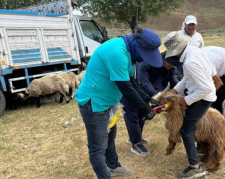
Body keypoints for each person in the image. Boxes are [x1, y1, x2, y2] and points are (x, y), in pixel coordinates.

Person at [75, 27, 162, 179]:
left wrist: (148, 100)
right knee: (98, 146)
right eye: (144, 55)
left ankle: (113, 167)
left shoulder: (128, 53)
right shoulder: (117, 52)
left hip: (108, 102)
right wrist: (144, 108)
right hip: (94, 103)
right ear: (137, 44)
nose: (143, 60)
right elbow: (125, 87)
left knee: (110, 137)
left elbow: (131, 82)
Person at [163, 31, 216, 178]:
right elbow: (187, 78)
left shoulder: (190, 61)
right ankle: (198, 151)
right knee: (189, 127)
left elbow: (205, 88)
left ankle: (195, 166)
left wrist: (185, 100)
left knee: (186, 130)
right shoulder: (193, 51)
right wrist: (175, 90)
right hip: (200, 94)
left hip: (203, 97)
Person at [201, 46, 225, 113]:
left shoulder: (205, 63)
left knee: (217, 99)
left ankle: (218, 120)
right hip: (221, 63)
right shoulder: (193, 59)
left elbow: (219, 82)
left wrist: (208, 95)